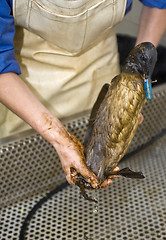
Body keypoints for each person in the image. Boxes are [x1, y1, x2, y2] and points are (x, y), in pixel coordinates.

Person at [0, 0, 166, 188]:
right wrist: (59, 137)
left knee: (99, 174)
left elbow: (158, 3)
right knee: (29, 180)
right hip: (25, 86)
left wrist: (134, 82)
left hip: (100, 65)